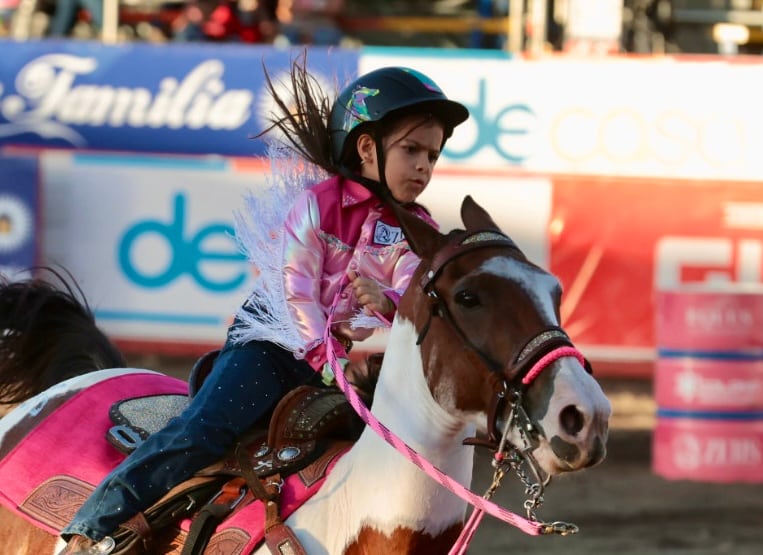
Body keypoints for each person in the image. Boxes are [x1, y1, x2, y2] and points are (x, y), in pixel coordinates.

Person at [59, 55, 469, 554]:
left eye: (433, 154)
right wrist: (322, 354)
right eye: (412, 150)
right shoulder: (318, 204)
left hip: (329, 363)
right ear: (366, 147)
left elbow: (413, 294)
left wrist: (387, 301)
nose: (425, 165)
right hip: (270, 345)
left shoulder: (415, 225)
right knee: (205, 431)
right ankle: (91, 525)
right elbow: (296, 286)